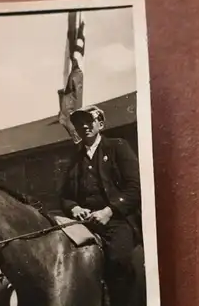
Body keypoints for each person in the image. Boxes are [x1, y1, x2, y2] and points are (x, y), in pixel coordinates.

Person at [59, 105, 142, 306]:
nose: (84, 126)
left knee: (119, 261)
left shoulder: (117, 147)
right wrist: (74, 209)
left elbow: (136, 187)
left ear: (100, 124)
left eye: (88, 121)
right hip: (84, 223)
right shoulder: (74, 159)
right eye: (79, 124)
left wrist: (109, 211)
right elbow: (64, 196)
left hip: (117, 220)